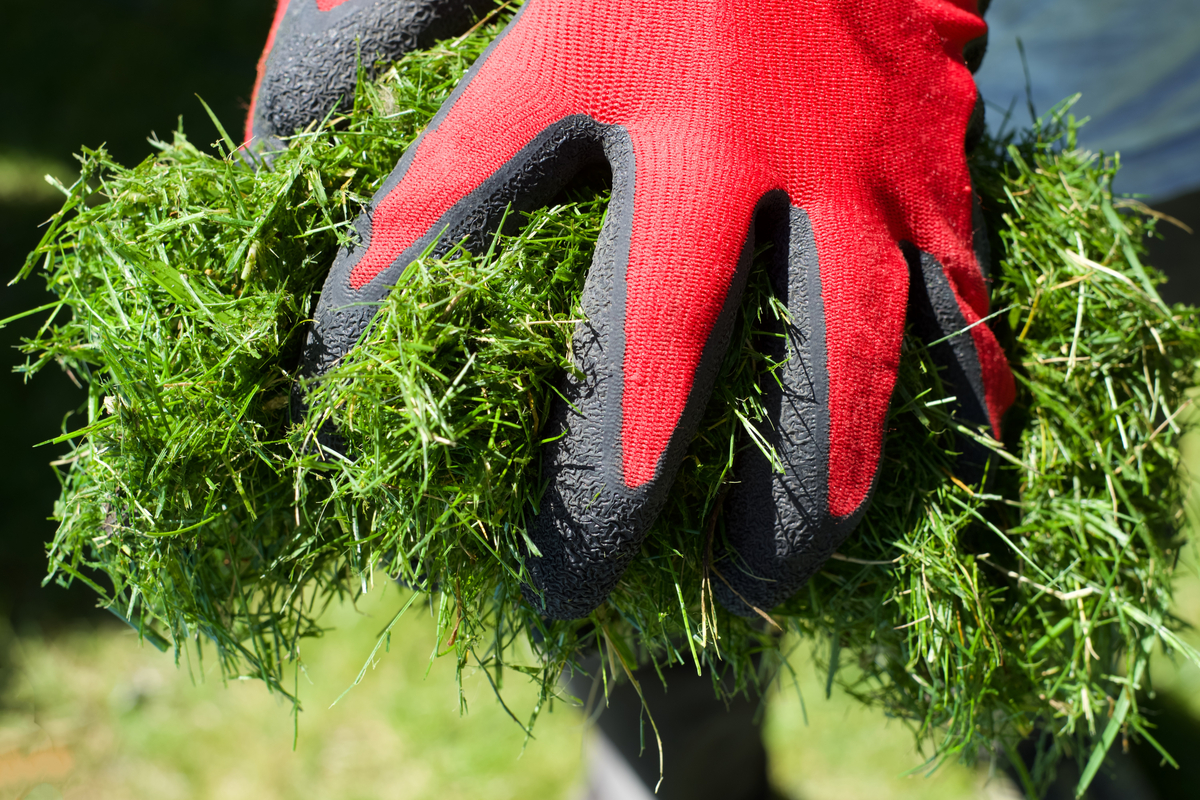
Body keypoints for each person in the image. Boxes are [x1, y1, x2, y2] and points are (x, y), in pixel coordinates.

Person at [242, 2, 1196, 798]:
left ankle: (1061, 734)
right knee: (637, 488)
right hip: (642, 72)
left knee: (1045, 517)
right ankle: (668, 770)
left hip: (1111, 103)